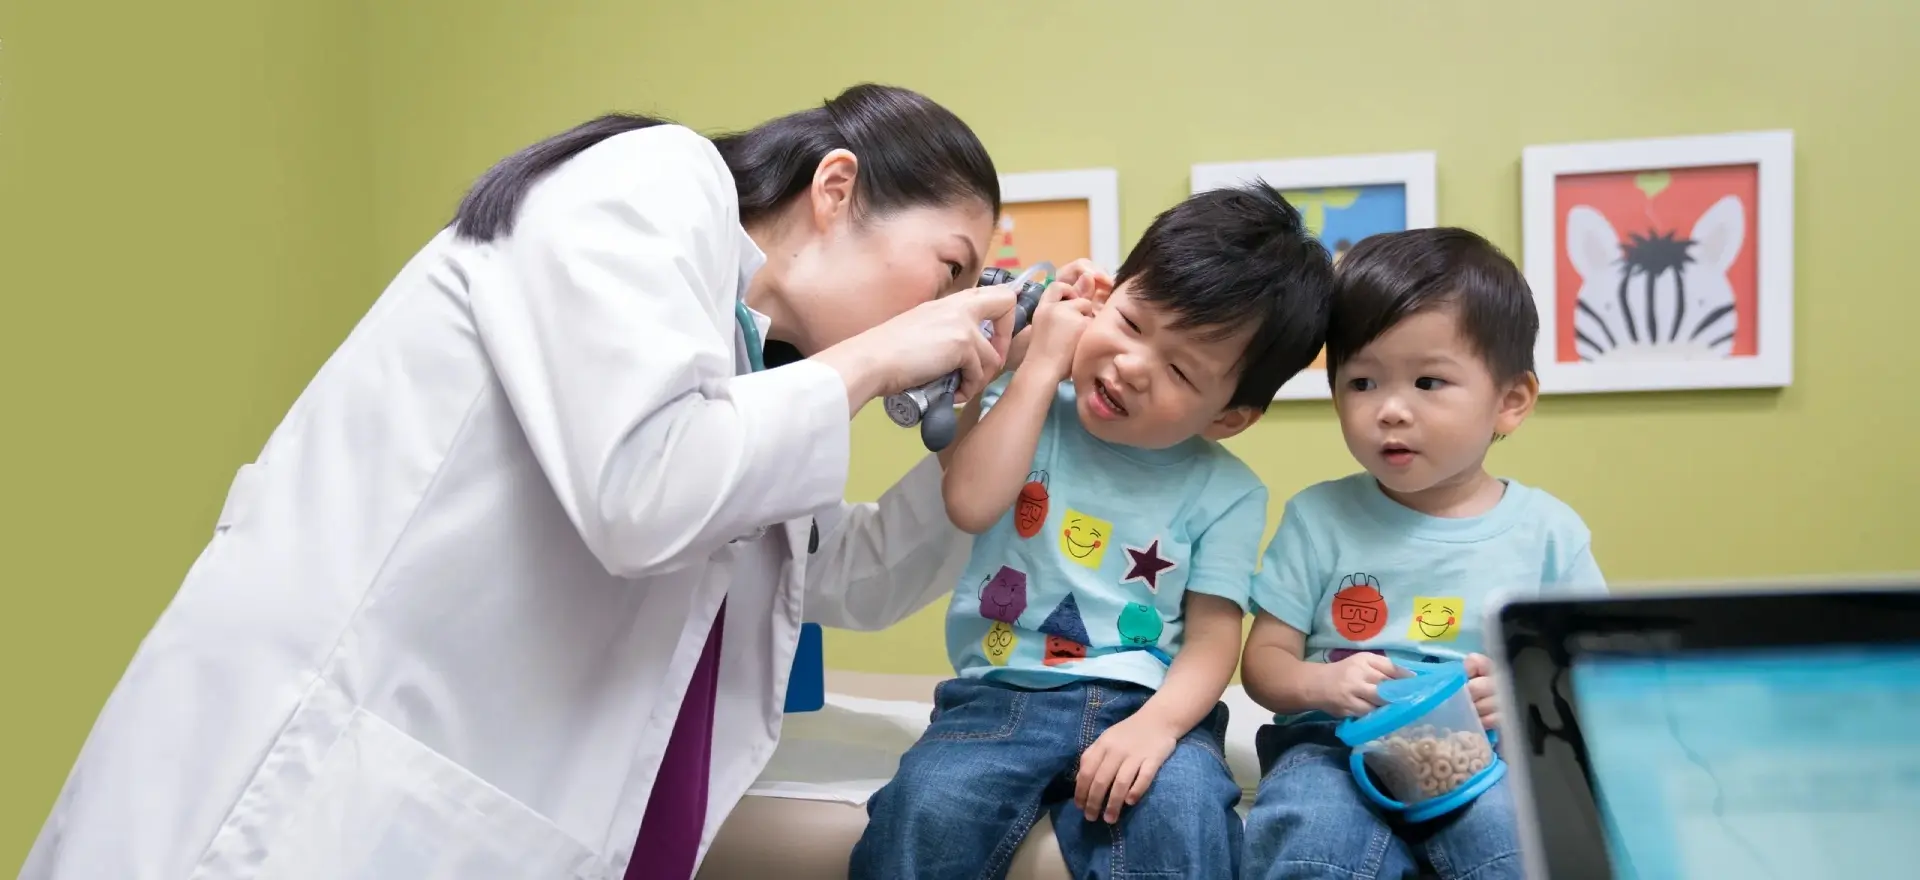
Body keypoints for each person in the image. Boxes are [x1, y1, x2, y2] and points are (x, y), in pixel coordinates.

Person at [23, 83, 1026, 880]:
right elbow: (646, 491)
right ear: (837, 187)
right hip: (316, 795)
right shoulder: (653, 182)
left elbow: (847, 573)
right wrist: (876, 359)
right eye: (947, 268)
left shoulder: (750, 373)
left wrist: (1011, 420)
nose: (947, 310)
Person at [849, 184, 1337, 880]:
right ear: (1105, 297)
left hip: (1147, 704)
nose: (1132, 367)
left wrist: (1160, 726)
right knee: (923, 809)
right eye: (1133, 324)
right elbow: (972, 502)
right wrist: (1040, 361)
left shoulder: (1227, 490)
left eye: (1178, 370)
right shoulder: (1030, 403)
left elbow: (1212, 637)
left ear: (1229, 416)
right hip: (1000, 695)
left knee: (1187, 814)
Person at [1238, 228, 1608, 880]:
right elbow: (1264, 664)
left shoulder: (1549, 533)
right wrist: (1320, 684)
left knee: (1513, 844)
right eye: (1361, 382)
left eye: (1429, 381)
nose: (1390, 410)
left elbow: (1593, 673)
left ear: (1511, 401)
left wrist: (1527, 694)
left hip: (1488, 752)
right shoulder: (1319, 517)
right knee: (1311, 838)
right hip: (1332, 745)